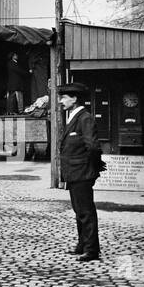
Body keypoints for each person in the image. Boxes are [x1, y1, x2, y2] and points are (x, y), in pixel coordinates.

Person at [58, 82, 103, 261]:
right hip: (75, 173)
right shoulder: (73, 117)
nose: (61, 101)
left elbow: (93, 147)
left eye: (64, 98)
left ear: (74, 99)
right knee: (79, 212)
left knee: (86, 212)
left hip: (82, 173)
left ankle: (91, 251)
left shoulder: (85, 118)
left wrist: (92, 167)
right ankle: (82, 245)